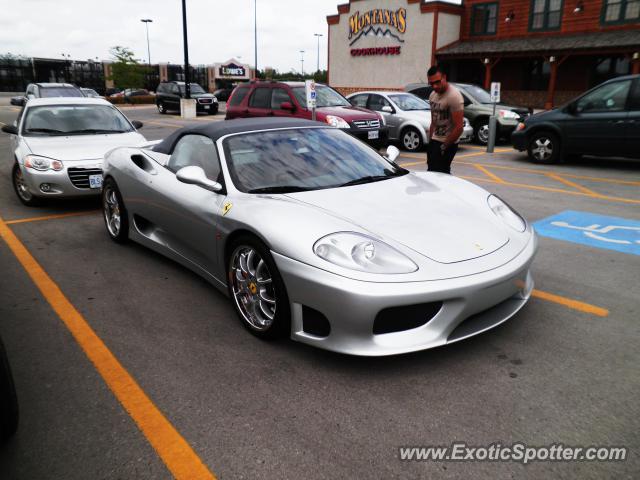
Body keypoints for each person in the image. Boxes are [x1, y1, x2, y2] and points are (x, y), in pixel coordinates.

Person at [426, 65, 464, 174]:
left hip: (447, 142)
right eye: (431, 83)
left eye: (437, 82)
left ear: (444, 77)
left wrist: (444, 146)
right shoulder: (432, 95)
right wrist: (431, 142)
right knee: (432, 172)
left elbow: (459, 128)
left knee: (440, 174)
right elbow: (433, 121)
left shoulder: (454, 96)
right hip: (434, 141)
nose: (435, 86)